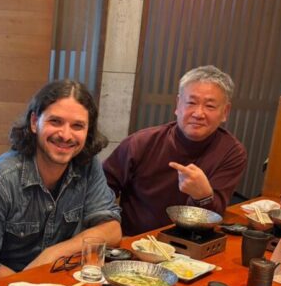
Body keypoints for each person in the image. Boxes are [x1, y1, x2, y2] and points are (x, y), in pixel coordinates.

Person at [0, 79, 122, 279]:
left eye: (77, 126)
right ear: (34, 122)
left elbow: (112, 229)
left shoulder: (88, 165)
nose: (66, 135)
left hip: (62, 283)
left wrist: (52, 253)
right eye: (55, 121)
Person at [103, 65, 247, 235]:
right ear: (178, 105)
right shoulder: (141, 143)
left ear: (225, 112)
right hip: (135, 242)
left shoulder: (231, 152)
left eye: (210, 106)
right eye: (191, 103)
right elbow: (101, 191)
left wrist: (204, 196)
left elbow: (215, 216)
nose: (198, 113)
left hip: (193, 244)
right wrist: (110, 225)